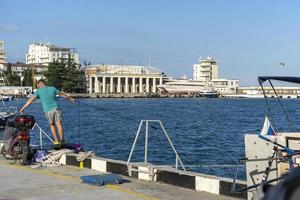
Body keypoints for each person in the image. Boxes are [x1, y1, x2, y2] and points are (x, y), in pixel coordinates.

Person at [20, 79, 75, 146]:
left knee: (52, 125)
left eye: (38, 85)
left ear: (39, 84)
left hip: (48, 111)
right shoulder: (53, 88)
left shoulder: (39, 91)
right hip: (56, 109)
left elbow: (30, 100)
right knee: (59, 124)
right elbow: (62, 94)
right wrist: (70, 98)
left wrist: (23, 108)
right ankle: (62, 139)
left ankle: (56, 141)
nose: (38, 87)